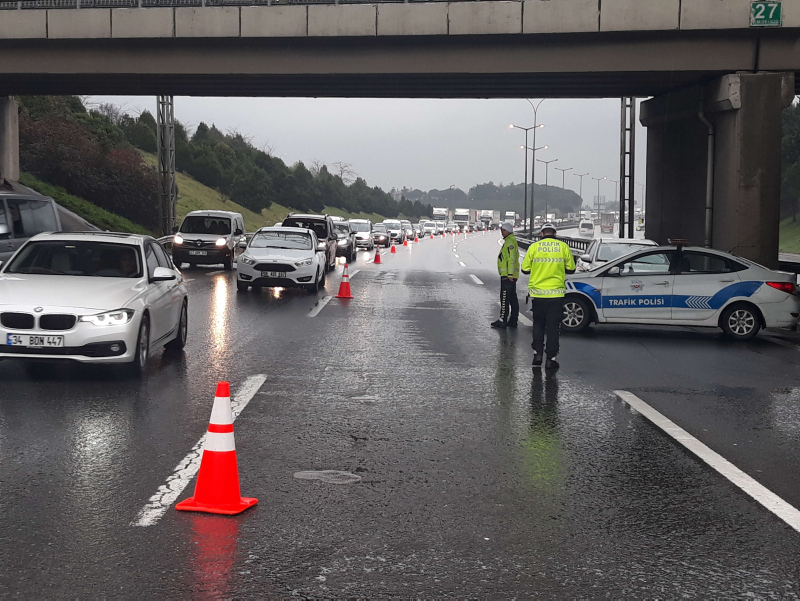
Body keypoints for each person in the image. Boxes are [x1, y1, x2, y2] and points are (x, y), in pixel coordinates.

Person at [521, 222, 575, 370]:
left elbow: (525, 269)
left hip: (538, 294)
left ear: (541, 233)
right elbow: (571, 269)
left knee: (538, 324)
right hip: (556, 295)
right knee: (553, 327)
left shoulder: (534, 247)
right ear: (555, 234)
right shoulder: (563, 247)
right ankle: (551, 359)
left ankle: (537, 355)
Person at [491, 222, 519, 329]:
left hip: (508, 275)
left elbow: (511, 259)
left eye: (503, 230)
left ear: (507, 231)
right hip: (509, 274)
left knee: (504, 298)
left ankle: (503, 320)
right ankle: (513, 320)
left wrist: (510, 274)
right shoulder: (509, 241)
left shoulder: (510, 242)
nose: (502, 232)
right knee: (512, 298)